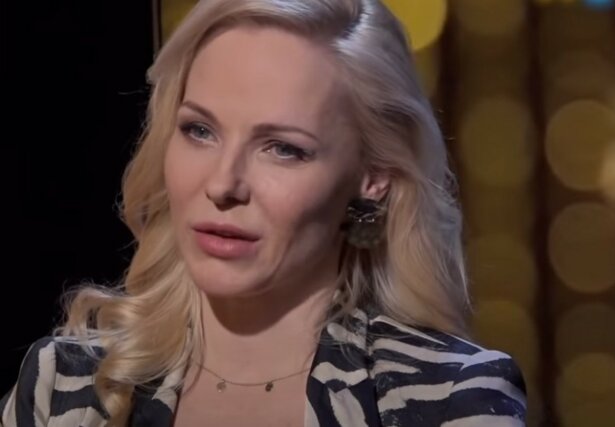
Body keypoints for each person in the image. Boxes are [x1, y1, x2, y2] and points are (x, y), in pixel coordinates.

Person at [0, 0, 527, 426]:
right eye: (199, 130)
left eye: (283, 148)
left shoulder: (447, 397)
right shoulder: (64, 385)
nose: (222, 184)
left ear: (373, 176)